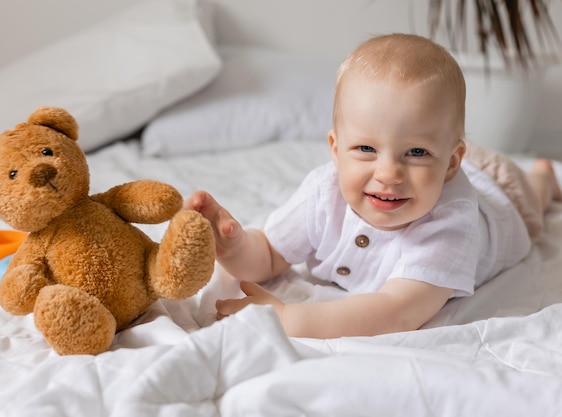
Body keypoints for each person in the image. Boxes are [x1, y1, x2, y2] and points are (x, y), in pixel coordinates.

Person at [184, 33, 562, 339]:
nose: (389, 173)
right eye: (366, 148)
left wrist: (288, 317)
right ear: (335, 149)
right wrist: (233, 247)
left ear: (451, 162)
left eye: (414, 152)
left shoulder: (451, 223)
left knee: (534, 199)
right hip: (454, 160)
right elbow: (268, 255)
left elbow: (398, 311)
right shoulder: (323, 193)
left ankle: (543, 177)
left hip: (502, 192)